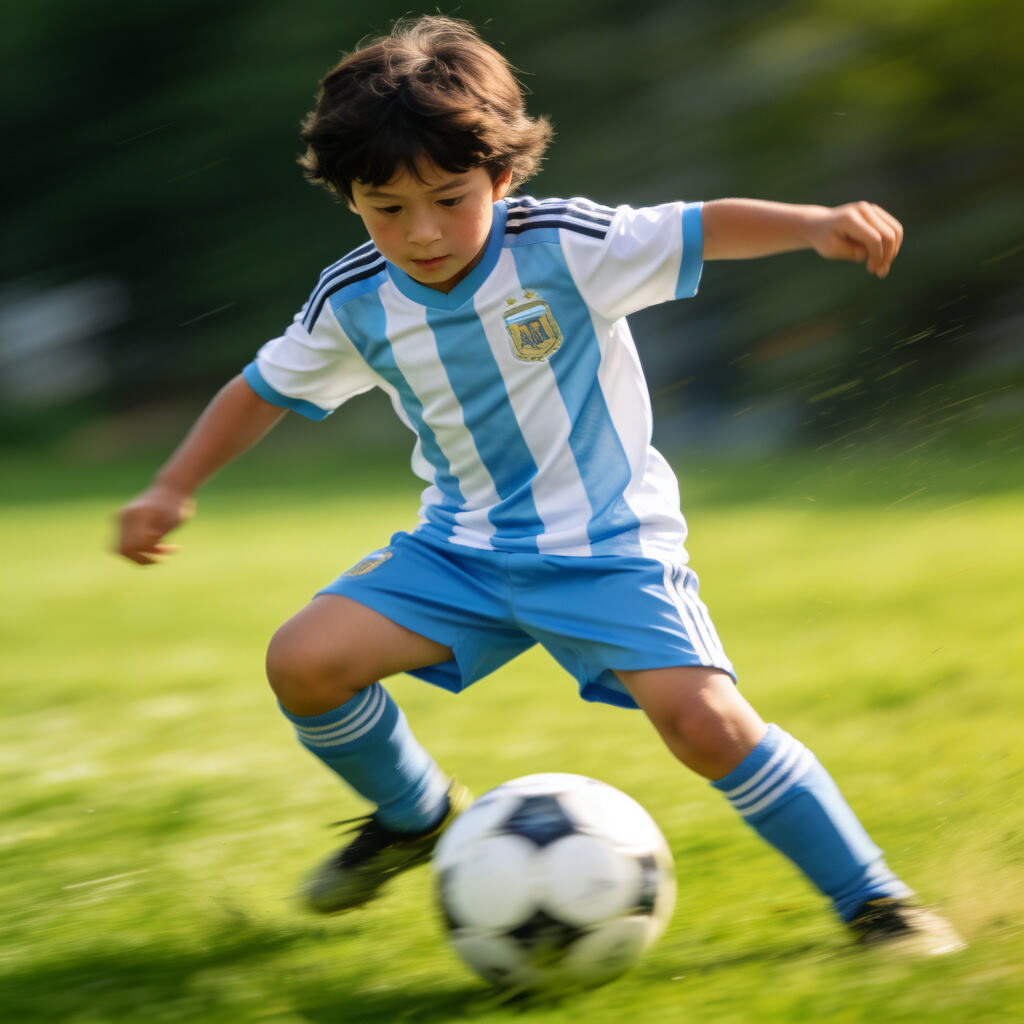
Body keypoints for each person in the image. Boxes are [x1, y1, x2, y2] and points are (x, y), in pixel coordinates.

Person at [116, 15, 963, 956]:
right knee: (303, 662)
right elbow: (261, 390)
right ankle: (417, 815)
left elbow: (703, 224)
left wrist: (814, 225)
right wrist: (172, 487)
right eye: (386, 208)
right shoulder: (354, 300)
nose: (422, 231)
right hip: (462, 553)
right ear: (350, 199)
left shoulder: (566, 246)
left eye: (449, 197)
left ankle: (876, 902)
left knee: (706, 725)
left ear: (503, 177)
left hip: (607, 549)